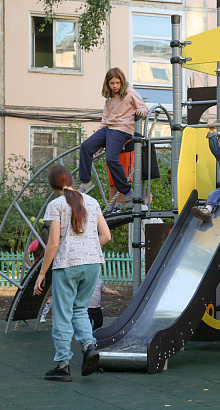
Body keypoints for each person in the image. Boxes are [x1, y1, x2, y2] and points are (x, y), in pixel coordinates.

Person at [34, 164, 111, 381]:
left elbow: (54, 243)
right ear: (72, 181)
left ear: (52, 186)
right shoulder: (92, 202)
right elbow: (106, 236)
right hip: (93, 264)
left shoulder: (56, 204)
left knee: (62, 314)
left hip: (67, 265)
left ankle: (62, 365)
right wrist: (87, 248)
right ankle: (88, 346)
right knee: (80, 309)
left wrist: (42, 273)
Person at [78, 67, 148, 215]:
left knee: (111, 158)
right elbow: (105, 121)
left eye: (117, 83)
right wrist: (98, 143)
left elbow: (143, 108)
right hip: (109, 129)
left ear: (122, 82)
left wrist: (141, 111)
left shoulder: (130, 93)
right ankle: (86, 181)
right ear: (107, 84)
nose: (115, 86)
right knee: (85, 146)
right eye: (112, 83)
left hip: (122, 129)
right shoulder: (109, 98)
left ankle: (127, 191)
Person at [28, 221, 53, 323]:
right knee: (51, 295)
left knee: (39, 293)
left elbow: (27, 254)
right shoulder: (51, 243)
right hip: (49, 271)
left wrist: (32, 266)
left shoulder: (36, 242)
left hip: (38, 272)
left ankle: (41, 315)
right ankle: (50, 317)